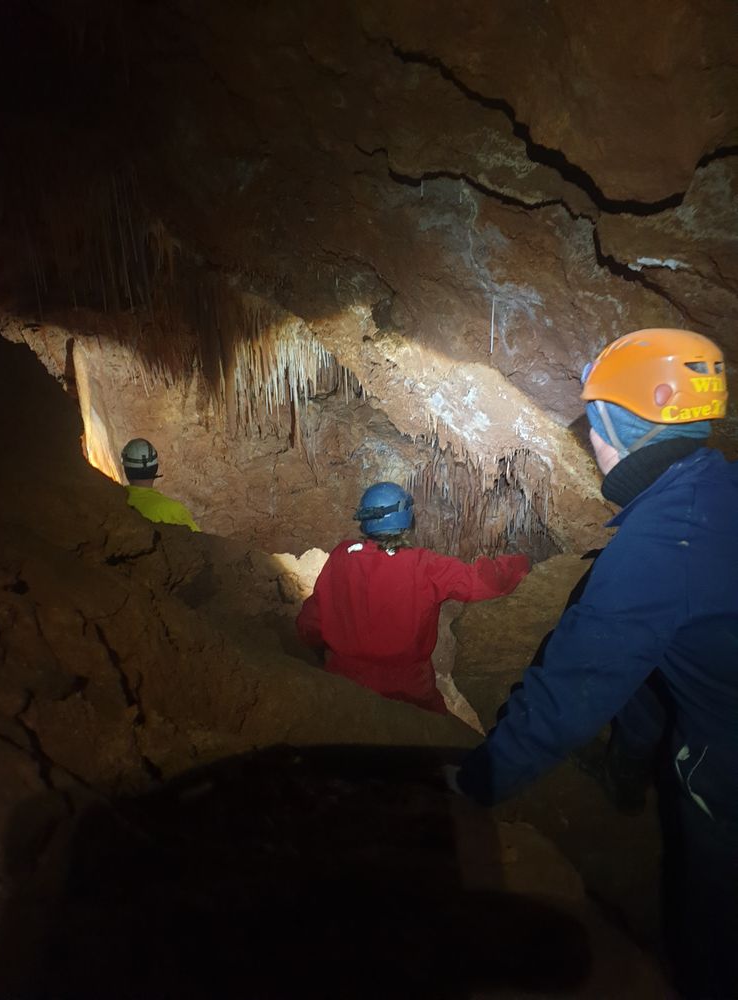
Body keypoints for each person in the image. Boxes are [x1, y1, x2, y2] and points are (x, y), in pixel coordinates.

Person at [450, 328, 737, 999]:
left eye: (593, 426)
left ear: (618, 427)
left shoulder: (658, 544)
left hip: (727, 772)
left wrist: (475, 785)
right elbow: (650, 675)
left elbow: (571, 691)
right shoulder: (716, 490)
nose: (589, 443)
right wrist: (629, 768)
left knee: (712, 934)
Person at [296, 481, 530, 714]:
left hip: (344, 680)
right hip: (408, 688)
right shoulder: (424, 565)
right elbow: (481, 582)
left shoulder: (341, 556)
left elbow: (311, 621)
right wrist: (520, 564)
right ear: (407, 518)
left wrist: (318, 649)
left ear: (365, 520)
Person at [120, 438, 200, 532]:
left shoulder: (116, 501)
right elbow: (200, 543)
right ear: (155, 468)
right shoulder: (173, 510)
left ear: (126, 470)